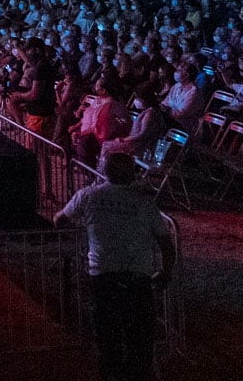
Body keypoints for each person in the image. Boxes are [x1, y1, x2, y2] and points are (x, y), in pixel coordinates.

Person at [55, 152, 176, 381]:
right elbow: (166, 245)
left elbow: (59, 220)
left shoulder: (89, 195)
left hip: (103, 276)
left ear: (104, 171)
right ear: (132, 174)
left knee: (107, 338)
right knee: (138, 340)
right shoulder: (144, 203)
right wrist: (165, 273)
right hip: (138, 278)